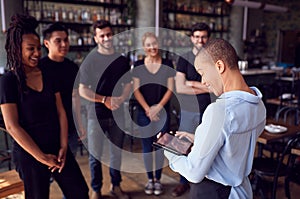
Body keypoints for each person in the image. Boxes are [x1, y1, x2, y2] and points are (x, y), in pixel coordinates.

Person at [0, 14, 89, 199]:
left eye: (38, 48)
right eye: (30, 49)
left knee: (79, 192)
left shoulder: (48, 73)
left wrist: (64, 146)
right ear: (17, 49)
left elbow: (61, 112)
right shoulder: (8, 81)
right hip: (29, 153)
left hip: (57, 147)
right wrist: (41, 156)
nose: (37, 54)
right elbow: (11, 126)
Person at [164, 38, 266, 199]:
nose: (203, 81)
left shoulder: (219, 111)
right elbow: (234, 143)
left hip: (214, 192)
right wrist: (200, 138)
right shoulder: (258, 104)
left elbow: (194, 172)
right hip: (242, 191)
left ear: (219, 66)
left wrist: (170, 151)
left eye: (202, 73)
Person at [79, 20, 131, 199]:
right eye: (102, 35)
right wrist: (104, 100)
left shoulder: (122, 60)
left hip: (117, 114)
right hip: (96, 114)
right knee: (95, 156)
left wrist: (120, 99)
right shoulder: (90, 60)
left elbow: (128, 84)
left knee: (116, 153)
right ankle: (96, 190)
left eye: (109, 34)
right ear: (96, 38)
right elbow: (82, 89)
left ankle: (116, 186)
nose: (107, 38)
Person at [132, 32, 175, 196]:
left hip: (162, 111)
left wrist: (158, 108)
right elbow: (136, 90)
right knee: (146, 147)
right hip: (144, 112)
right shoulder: (138, 65)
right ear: (144, 47)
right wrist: (148, 109)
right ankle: (150, 180)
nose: (152, 47)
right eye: (148, 45)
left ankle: (158, 179)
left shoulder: (168, 63)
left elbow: (170, 89)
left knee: (159, 147)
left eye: (154, 44)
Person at [172, 22, 212, 197]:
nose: (200, 40)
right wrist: (202, 86)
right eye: (197, 36)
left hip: (209, 108)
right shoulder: (184, 58)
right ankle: (183, 182)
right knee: (183, 144)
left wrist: (190, 83)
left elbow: (214, 87)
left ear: (208, 38)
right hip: (188, 109)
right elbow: (180, 87)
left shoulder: (212, 58)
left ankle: (202, 179)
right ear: (191, 38)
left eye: (203, 36)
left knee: (204, 145)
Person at [40, 22, 86, 157]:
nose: (64, 44)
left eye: (66, 40)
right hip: (47, 127)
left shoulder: (72, 67)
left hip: (70, 127)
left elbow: (75, 97)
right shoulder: (40, 68)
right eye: (58, 41)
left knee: (69, 168)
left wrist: (79, 123)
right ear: (47, 43)